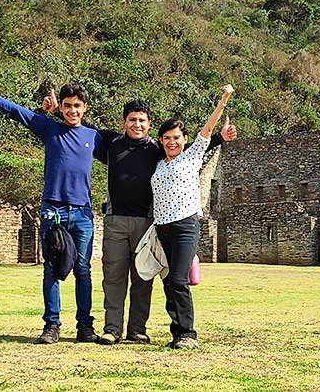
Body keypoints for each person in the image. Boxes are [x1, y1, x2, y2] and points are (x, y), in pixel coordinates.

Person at [41, 95, 236, 345]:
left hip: (146, 221)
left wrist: (220, 138)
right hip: (115, 221)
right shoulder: (110, 142)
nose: (137, 124)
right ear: (124, 122)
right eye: (132, 120)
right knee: (113, 277)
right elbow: (82, 126)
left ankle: (137, 329)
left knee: (143, 278)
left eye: (142, 120)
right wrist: (58, 110)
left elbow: (188, 151)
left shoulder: (157, 148)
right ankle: (112, 329)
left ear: (149, 123)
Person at [0, 73, 103, 345]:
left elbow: (123, 150)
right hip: (53, 210)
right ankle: (52, 325)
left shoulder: (93, 136)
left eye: (77, 106)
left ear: (85, 108)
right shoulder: (49, 129)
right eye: (67, 106)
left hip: (82, 213)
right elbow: (15, 111)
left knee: (83, 269)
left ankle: (85, 327)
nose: (72, 111)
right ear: (62, 107)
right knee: (51, 269)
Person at [150, 83, 234, 350]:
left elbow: (208, 130)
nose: (172, 142)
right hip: (162, 227)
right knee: (168, 281)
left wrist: (223, 101)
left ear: (184, 139)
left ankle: (189, 333)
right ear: (161, 141)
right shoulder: (158, 163)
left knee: (178, 279)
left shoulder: (193, 156)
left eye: (176, 137)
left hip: (186, 225)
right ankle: (177, 332)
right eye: (166, 138)